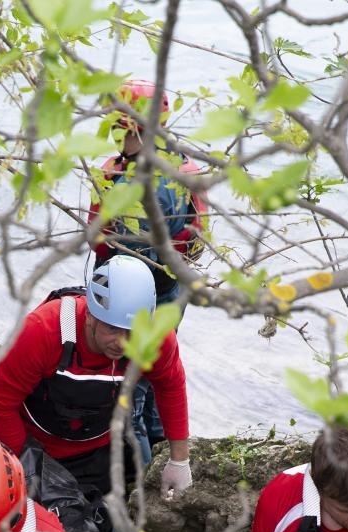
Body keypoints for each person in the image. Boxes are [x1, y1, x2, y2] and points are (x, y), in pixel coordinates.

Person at [0, 255, 194, 521]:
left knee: (102, 528)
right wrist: (27, 465)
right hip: (37, 446)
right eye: (112, 329)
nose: (122, 343)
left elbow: (170, 387)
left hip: (99, 447)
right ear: (91, 315)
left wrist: (179, 460)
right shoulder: (43, 330)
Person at [86, 78, 209, 468]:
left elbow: (97, 240)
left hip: (126, 301)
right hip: (171, 290)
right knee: (163, 374)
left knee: (130, 395)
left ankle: (141, 482)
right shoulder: (185, 170)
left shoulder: (113, 174)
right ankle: (164, 448)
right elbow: (197, 239)